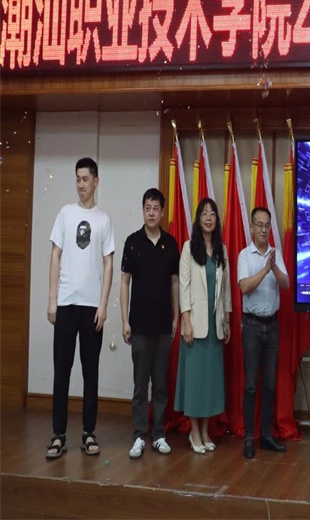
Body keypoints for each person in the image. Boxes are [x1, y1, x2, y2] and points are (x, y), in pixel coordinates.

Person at [46, 157, 115, 459]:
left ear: (96, 182)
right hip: (65, 304)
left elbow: (109, 262)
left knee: (91, 372)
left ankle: (88, 433)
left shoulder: (103, 219)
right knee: (61, 371)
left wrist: (103, 304)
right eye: (77, 179)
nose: (81, 184)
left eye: (85, 179)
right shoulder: (65, 213)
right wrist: (52, 299)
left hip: (91, 308)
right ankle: (58, 434)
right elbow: (55, 255)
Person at [120, 188, 180, 459]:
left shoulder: (171, 243)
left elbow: (175, 282)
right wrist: (125, 320)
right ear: (142, 210)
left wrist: (176, 316)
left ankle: (158, 435)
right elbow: (124, 282)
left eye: (156, 208)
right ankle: (138, 436)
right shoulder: (133, 242)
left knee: (161, 385)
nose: (151, 213)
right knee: (140, 385)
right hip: (139, 326)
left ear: (162, 212)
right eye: (147, 208)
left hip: (163, 325)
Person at [175, 198, 231, 454]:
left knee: (210, 383)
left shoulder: (222, 250)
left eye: (213, 214)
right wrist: (186, 321)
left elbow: (226, 289)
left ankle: (206, 430)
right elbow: (183, 288)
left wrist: (227, 319)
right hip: (195, 326)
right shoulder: (189, 248)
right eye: (204, 214)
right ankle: (194, 432)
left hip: (215, 326)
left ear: (217, 220)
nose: (209, 218)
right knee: (195, 382)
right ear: (198, 219)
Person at [237, 206, 290, 459]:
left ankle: (267, 436)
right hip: (252, 327)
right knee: (251, 385)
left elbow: (286, 284)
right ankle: (250, 438)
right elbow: (244, 287)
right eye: (259, 225)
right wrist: (264, 270)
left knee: (269, 384)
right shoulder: (244, 256)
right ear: (251, 227)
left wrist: (274, 267)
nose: (263, 230)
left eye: (267, 225)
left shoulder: (275, 254)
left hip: (272, 326)